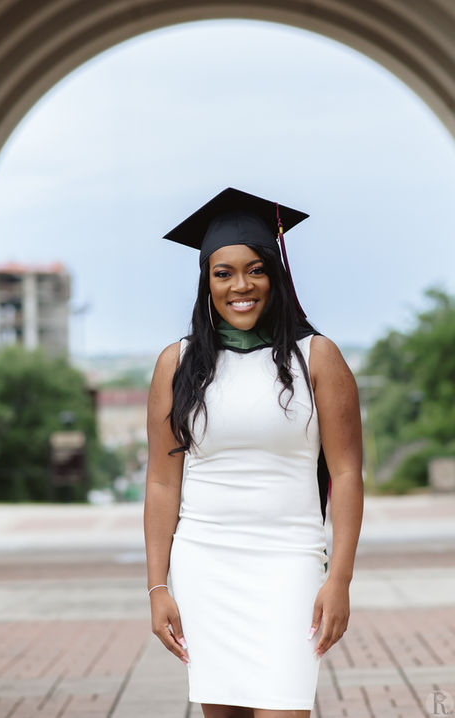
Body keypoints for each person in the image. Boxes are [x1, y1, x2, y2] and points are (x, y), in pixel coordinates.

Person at [144, 187, 364, 718]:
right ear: (207, 282)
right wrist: (157, 586)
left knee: (284, 705)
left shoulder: (317, 357)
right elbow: (162, 482)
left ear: (275, 276)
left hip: (289, 561)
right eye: (224, 273)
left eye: (255, 270)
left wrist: (339, 579)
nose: (240, 286)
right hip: (205, 564)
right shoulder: (178, 363)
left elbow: (347, 473)